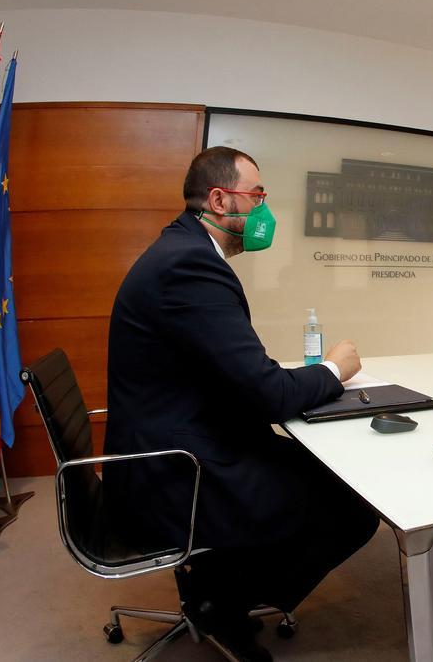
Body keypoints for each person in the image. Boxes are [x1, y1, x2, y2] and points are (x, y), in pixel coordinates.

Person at [103, 146, 380, 660]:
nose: (264, 210)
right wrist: (334, 369)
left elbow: (236, 371)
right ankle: (222, 604)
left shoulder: (182, 251)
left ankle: (218, 584)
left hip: (173, 441)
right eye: (257, 196)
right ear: (219, 199)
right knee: (353, 502)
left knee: (314, 469)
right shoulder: (190, 265)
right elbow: (268, 396)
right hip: (173, 470)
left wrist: (285, 377)